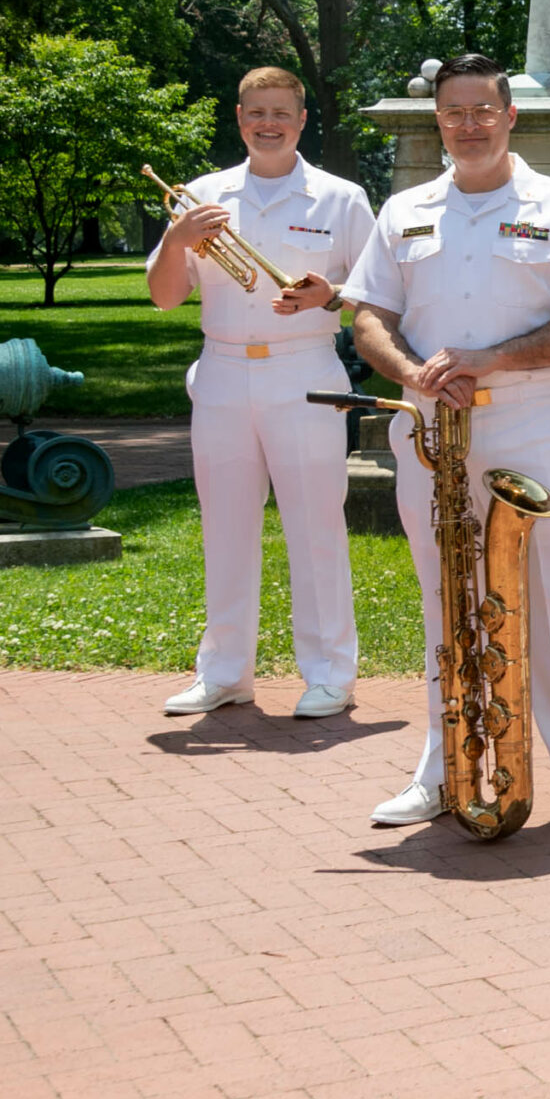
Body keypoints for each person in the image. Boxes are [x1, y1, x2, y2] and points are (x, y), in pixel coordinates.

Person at [342, 54, 550, 839]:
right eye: (453, 112)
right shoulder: (404, 210)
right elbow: (368, 314)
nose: (468, 124)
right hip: (431, 427)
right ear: (438, 120)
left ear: (511, 116)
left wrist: (491, 359)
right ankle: (446, 770)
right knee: (446, 603)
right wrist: (413, 374)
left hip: (529, 422)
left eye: (482, 109)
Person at [148, 67, 376, 719]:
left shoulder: (341, 198)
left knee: (315, 525)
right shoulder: (201, 196)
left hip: (303, 368)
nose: (268, 123)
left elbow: (380, 296)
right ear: (239, 116)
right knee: (224, 527)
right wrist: (175, 239)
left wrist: (330, 294)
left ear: (303, 120)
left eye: (281, 112)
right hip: (220, 370)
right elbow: (165, 296)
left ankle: (331, 673)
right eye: (256, 112)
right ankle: (224, 672)